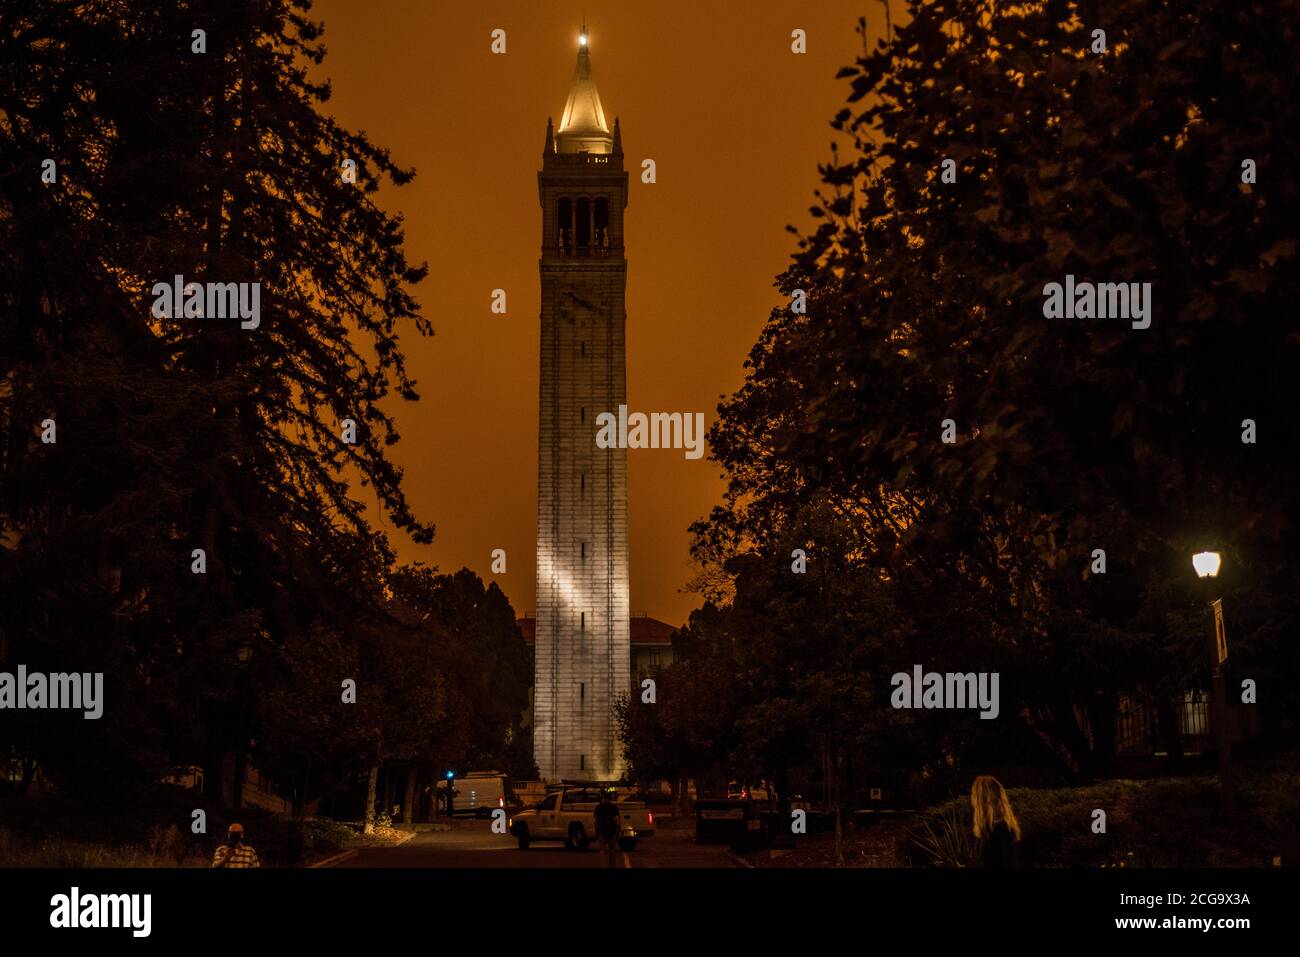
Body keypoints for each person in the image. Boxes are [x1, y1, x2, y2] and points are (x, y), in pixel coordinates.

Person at [971, 775, 1020, 868]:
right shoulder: (987, 829)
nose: (973, 798)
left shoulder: (1000, 829)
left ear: (983, 798)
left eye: (975, 794)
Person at [592, 790, 622, 868]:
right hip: (612, 830)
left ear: (602, 798)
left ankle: (603, 865)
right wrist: (619, 828)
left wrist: (596, 832)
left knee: (602, 850)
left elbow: (596, 821)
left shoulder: (598, 807)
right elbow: (617, 819)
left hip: (602, 830)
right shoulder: (613, 807)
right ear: (610, 799)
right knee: (612, 850)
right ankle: (612, 865)